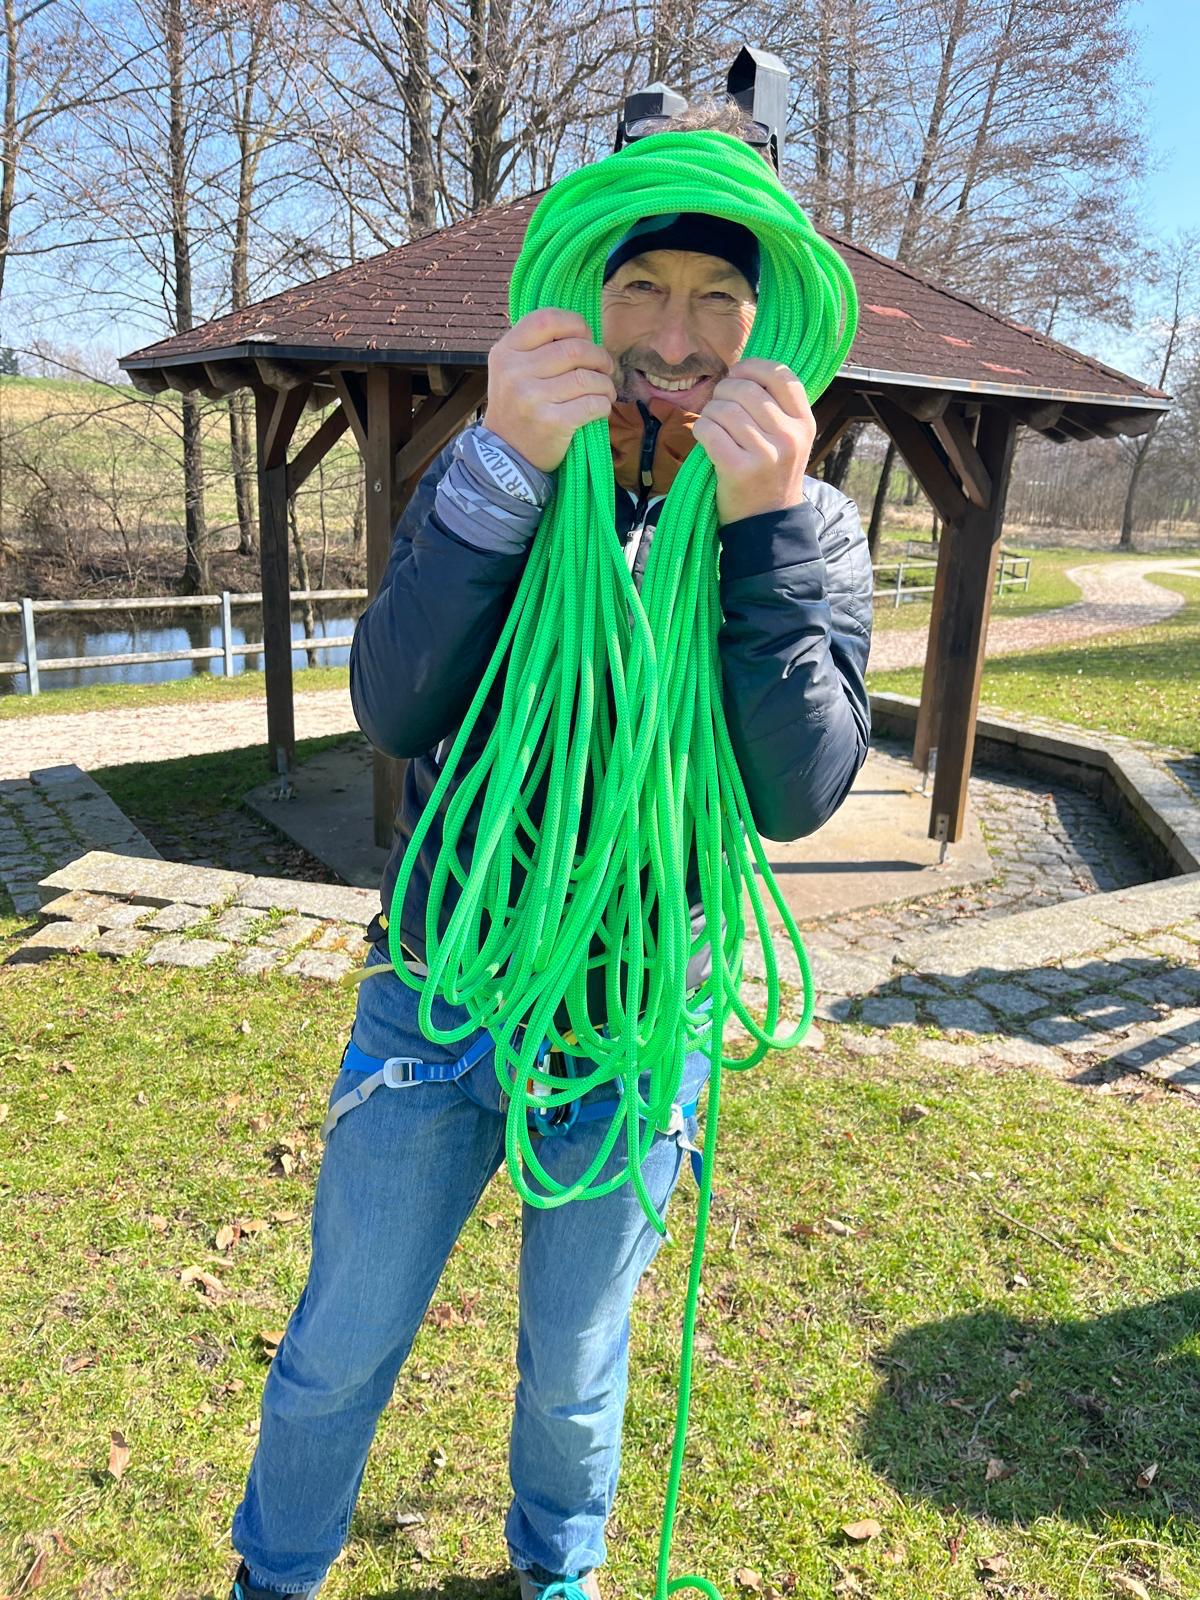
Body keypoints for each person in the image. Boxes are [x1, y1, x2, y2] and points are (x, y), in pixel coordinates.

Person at [227, 112, 874, 1600]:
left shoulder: (812, 524)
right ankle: (275, 1576)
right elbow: (395, 706)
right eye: (641, 285)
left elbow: (797, 794)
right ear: (586, 291)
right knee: (342, 1344)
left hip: (635, 1025)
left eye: (719, 297)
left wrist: (766, 530)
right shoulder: (493, 467)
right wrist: (507, 475)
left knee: (577, 1364)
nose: (676, 336)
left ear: (769, 320)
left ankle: (558, 1572)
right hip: (441, 996)